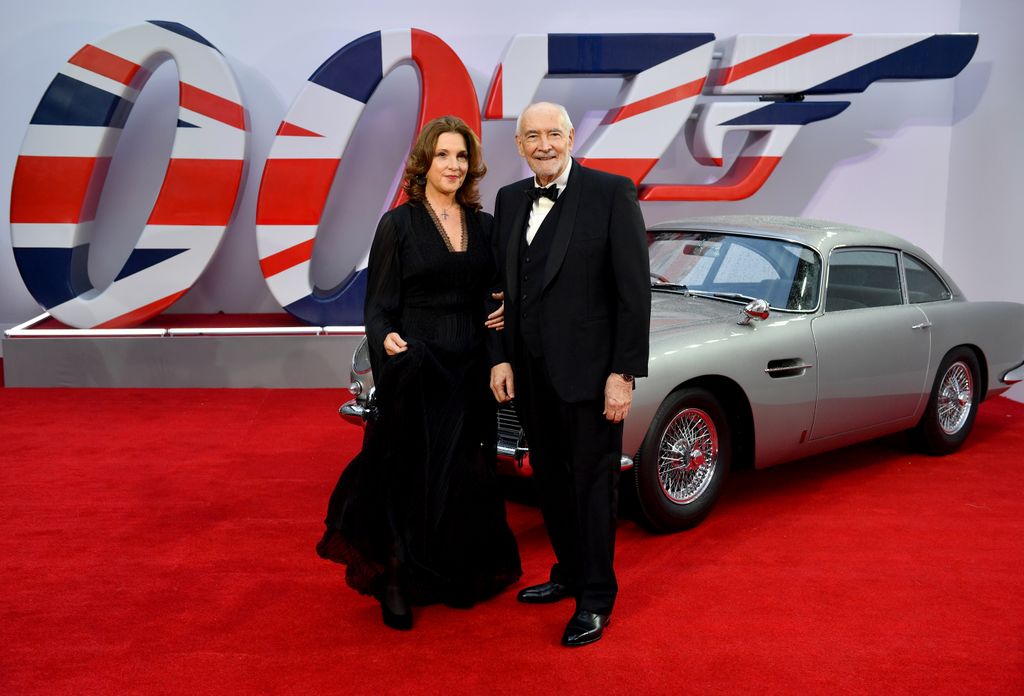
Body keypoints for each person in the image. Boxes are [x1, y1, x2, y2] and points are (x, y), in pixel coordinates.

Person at [316, 115, 522, 630]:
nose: (453, 165)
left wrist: (501, 333)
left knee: (461, 474)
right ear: (424, 163)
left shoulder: (485, 226)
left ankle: (448, 573)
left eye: (461, 157)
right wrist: (387, 342)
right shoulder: (399, 225)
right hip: (418, 366)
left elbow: (494, 299)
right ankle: (395, 580)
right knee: (405, 473)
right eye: (444, 155)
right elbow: (379, 307)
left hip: (470, 365)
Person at [488, 102, 651, 647]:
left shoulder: (611, 192)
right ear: (518, 145)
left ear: (571, 137)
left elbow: (633, 292)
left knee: (591, 486)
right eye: (532, 136)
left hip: (591, 378)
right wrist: (501, 356)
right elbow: (499, 291)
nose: (544, 144)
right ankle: (568, 572)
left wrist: (623, 373)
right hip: (530, 375)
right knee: (551, 483)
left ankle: (597, 596)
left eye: (553, 133)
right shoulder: (509, 199)